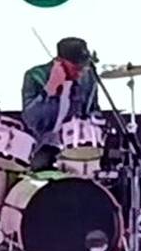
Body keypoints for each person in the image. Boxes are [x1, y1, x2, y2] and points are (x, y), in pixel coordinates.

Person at [21, 37, 100, 168]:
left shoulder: (89, 78)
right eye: (76, 67)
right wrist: (50, 89)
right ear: (60, 62)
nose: (81, 72)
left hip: (75, 141)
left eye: (84, 66)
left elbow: (94, 110)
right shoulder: (35, 76)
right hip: (43, 144)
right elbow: (31, 119)